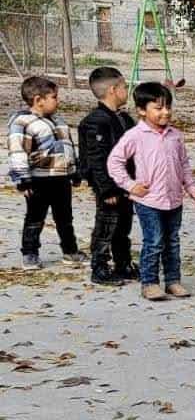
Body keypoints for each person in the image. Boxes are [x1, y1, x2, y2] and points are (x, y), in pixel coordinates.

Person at [107, 82, 195, 301]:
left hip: (174, 200)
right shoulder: (135, 136)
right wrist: (131, 185)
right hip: (149, 201)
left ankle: (173, 281)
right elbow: (114, 161)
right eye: (159, 108)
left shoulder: (175, 136)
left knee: (172, 241)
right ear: (142, 110)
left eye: (168, 107)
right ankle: (149, 282)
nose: (166, 112)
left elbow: (184, 164)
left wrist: (191, 188)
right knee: (154, 241)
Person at [7, 76, 85, 270]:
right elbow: (18, 151)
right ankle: (30, 253)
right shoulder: (22, 122)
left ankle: (70, 251)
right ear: (38, 99)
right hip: (38, 180)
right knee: (35, 218)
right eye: (54, 97)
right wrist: (23, 180)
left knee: (65, 218)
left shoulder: (58, 121)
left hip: (61, 178)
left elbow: (68, 147)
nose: (57, 101)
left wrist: (75, 171)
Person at [78, 67, 138, 285]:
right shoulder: (95, 122)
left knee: (123, 227)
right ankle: (100, 266)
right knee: (106, 226)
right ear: (113, 89)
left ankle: (123, 264)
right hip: (109, 187)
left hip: (126, 184)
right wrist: (106, 188)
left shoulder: (123, 119)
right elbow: (96, 159)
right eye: (123, 86)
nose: (126, 90)